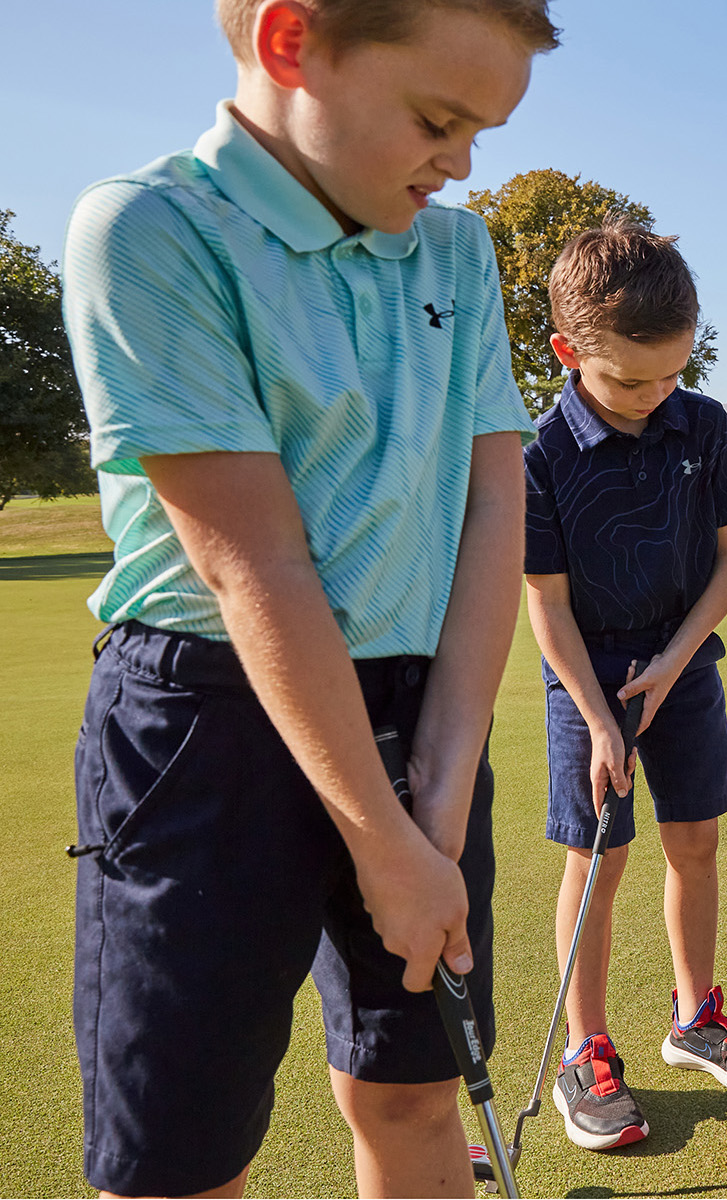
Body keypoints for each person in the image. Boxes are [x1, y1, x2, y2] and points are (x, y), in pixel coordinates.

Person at [61, 2, 556, 1195]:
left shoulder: (456, 251)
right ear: (291, 42)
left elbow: (494, 505)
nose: (461, 163)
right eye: (437, 120)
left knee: (413, 1091)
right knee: (180, 1160)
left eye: (482, 132)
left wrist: (443, 782)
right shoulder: (150, 228)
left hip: (422, 702)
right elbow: (257, 566)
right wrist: (388, 845)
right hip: (211, 720)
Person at [524, 224, 727, 1151]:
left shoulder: (701, 424)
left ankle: (694, 1016)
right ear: (568, 352)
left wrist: (676, 660)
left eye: (673, 373)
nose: (656, 395)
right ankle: (586, 1049)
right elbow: (545, 605)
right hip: (586, 679)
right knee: (599, 858)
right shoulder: (540, 453)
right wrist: (600, 719)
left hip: (686, 660)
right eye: (633, 381)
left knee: (695, 841)